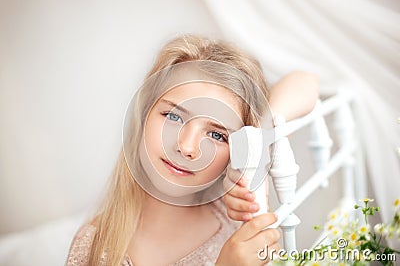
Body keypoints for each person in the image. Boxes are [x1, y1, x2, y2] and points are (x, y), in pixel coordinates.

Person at [66, 35, 318, 266]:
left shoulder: (233, 214)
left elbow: (306, 82)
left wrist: (258, 140)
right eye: (173, 116)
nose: (186, 147)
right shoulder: (94, 246)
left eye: (217, 135)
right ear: (144, 115)